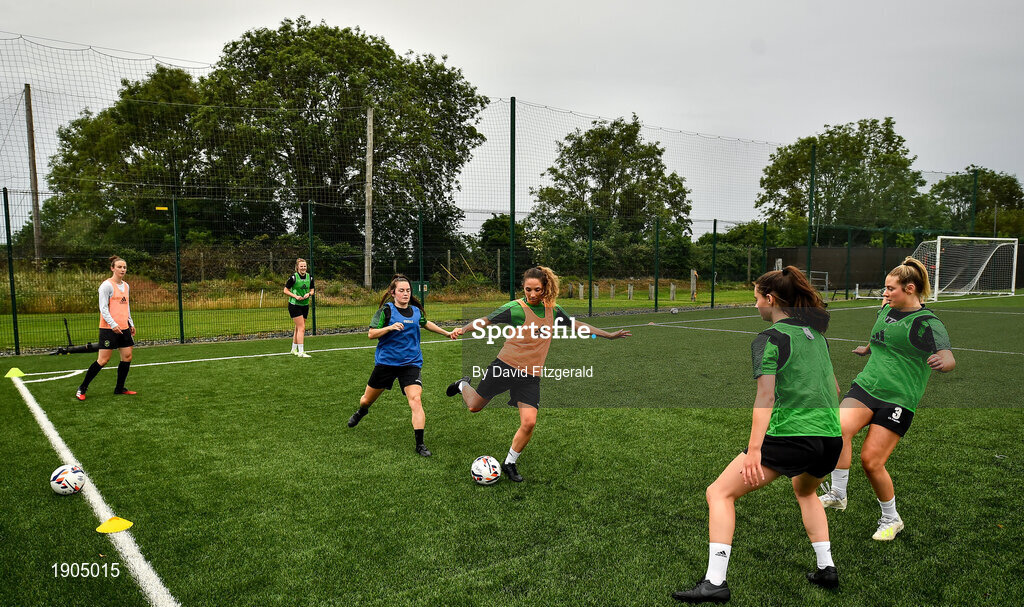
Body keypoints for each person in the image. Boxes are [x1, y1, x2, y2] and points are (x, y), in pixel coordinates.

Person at [673, 266, 842, 604]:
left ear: (770, 299)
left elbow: (765, 397)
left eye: (756, 300)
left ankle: (715, 582)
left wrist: (754, 451)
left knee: (719, 493)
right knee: (806, 492)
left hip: (793, 437)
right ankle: (826, 568)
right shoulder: (816, 335)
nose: (755, 306)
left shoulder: (770, 338)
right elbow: (834, 388)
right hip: (830, 439)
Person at [445, 266, 631, 482]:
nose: (532, 294)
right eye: (528, 290)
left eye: (537, 290)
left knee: (529, 422)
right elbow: (485, 321)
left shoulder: (554, 310)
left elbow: (576, 324)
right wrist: (463, 329)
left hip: (530, 376)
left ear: (546, 288)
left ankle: (510, 463)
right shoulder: (515, 308)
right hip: (504, 367)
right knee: (474, 407)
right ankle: (462, 385)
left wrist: (607, 335)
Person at [819, 257, 955, 541]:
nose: (885, 294)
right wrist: (868, 349)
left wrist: (943, 361)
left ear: (909, 288)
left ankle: (891, 518)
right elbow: (884, 335)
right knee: (837, 429)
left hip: (898, 398)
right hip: (867, 386)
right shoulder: (886, 309)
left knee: (871, 461)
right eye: (885, 288)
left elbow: (948, 356)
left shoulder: (928, 323)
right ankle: (838, 494)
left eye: (890, 289)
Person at [346, 275, 456, 457]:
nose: (405, 294)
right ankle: (362, 411)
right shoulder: (386, 311)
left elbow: (425, 323)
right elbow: (371, 334)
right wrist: (389, 328)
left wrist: (446, 333)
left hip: (410, 363)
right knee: (366, 400)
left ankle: (420, 444)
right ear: (393, 293)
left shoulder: (416, 312)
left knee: (416, 400)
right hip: (386, 363)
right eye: (401, 290)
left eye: (408, 291)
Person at [76, 256, 137, 401]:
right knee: (103, 360)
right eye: (119, 267)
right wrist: (113, 324)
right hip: (108, 329)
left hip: (124, 327)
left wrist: (131, 323)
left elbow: (126, 306)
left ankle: (119, 388)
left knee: (127, 356)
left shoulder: (126, 286)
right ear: (112, 268)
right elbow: (103, 308)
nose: (122, 269)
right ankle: (82, 388)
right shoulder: (106, 286)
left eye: (124, 267)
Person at [284, 258, 315, 357]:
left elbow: (312, 290)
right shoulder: (293, 278)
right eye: (301, 266)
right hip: (294, 305)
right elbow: (285, 290)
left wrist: (308, 294)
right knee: (302, 327)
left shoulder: (310, 277)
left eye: (304, 266)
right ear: (297, 267)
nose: (303, 268)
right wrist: (295, 296)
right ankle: (301, 352)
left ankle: (293, 349)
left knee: (298, 328)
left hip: (305, 305)